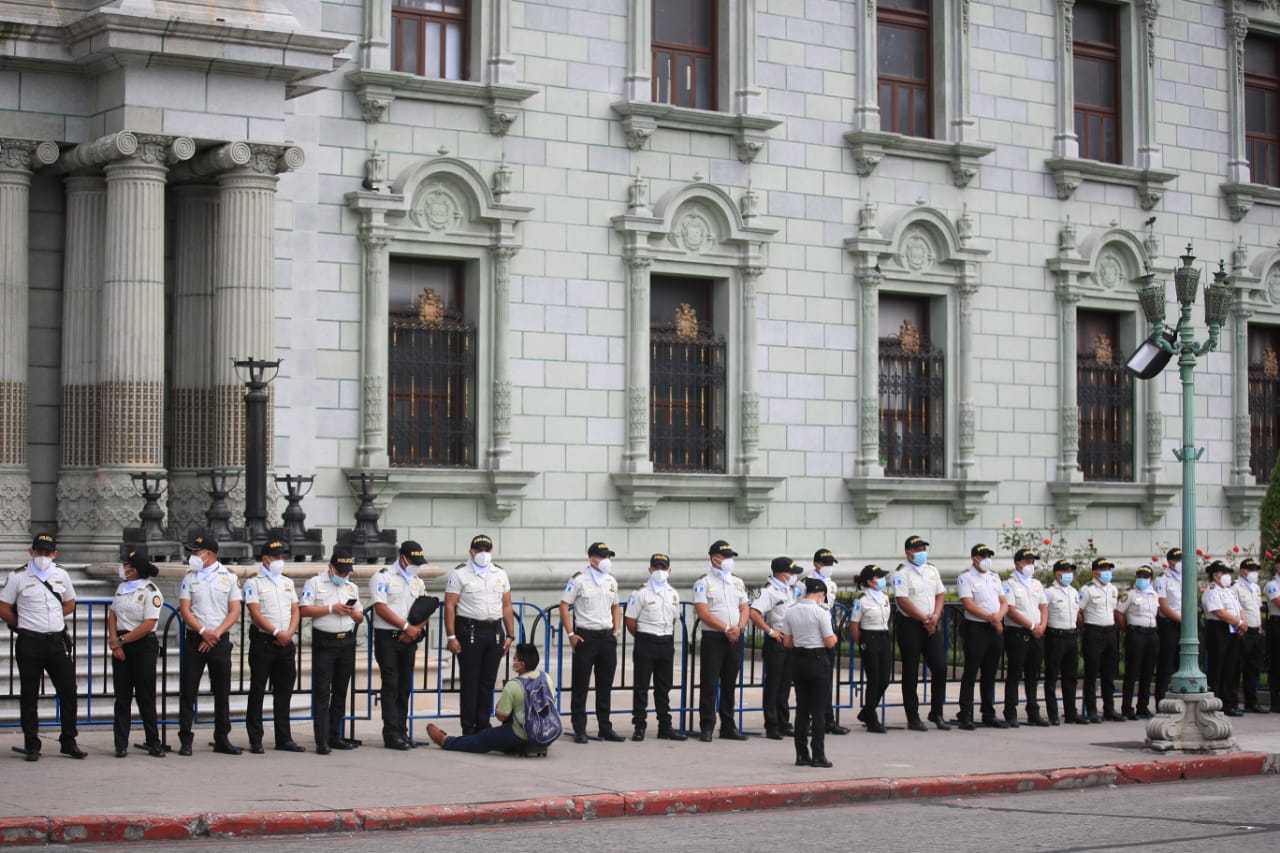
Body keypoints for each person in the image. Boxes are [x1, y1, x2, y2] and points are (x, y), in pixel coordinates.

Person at [0, 533, 84, 761]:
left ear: (54, 554)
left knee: (68, 691)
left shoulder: (61, 575)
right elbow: (4, 606)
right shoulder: (18, 576)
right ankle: (32, 743)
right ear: (31, 552)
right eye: (39, 552)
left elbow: (69, 603)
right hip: (30, 642)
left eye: (47, 553)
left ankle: (68, 740)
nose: (43, 557)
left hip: (56, 642)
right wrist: (22, 624)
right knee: (29, 694)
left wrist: (55, 617)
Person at [177, 532, 243, 756]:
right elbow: (185, 609)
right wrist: (204, 632)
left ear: (210, 554)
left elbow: (234, 610)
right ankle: (186, 738)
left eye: (197, 552)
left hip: (219, 640)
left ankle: (222, 737)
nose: (193, 556)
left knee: (222, 691)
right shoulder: (190, 578)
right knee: (188, 691)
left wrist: (216, 634)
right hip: (196, 639)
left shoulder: (229, 577)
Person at [444, 534, 516, 735]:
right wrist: (451, 636)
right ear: (471, 552)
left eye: (486, 550)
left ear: (491, 551)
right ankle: (468, 727)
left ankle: (483, 723)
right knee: (470, 680)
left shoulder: (500, 574)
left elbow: (507, 605)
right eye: (479, 550)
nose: (483, 554)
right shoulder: (460, 574)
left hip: (494, 631)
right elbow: (450, 606)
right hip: (470, 631)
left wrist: (510, 634)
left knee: (488, 680)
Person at [426, 643, 555, 754]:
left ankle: (446, 741)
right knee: (499, 736)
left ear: (521, 664)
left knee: (485, 737)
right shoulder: (546, 677)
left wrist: (500, 704)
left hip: (523, 733)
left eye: (514, 659)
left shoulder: (514, 685)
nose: (513, 661)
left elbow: (501, 716)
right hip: (547, 732)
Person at [299, 547, 364, 754]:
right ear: (330, 567)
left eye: (347, 572)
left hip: (346, 641)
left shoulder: (351, 587)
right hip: (325, 642)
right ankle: (321, 740)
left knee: (340, 690)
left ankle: (334, 735)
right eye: (340, 572)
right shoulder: (315, 583)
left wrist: (353, 614)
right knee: (322, 691)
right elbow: (304, 609)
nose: (344, 576)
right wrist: (330, 609)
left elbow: (361, 616)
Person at [559, 542, 624, 743]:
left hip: (606, 637)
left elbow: (616, 606)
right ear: (592, 559)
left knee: (605, 685)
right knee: (581, 684)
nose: (607, 561)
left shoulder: (611, 581)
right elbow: (564, 605)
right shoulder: (579, 580)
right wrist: (570, 634)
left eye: (608, 557)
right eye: (603, 557)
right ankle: (580, 728)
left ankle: (605, 726)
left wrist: (616, 630)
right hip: (585, 637)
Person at [243, 540, 303, 754]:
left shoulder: (286, 582)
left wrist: (289, 633)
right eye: (277, 557)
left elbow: (295, 610)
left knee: (284, 692)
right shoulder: (254, 583)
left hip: (285, 643)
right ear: (266, 559)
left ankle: (284, 738)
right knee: (257, 690)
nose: (281, 561)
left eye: (282, 557)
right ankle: (255, 738)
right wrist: (277, 633)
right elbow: (255, 613)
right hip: (265, 642)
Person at [370, 540, 429, 749]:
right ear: (403, 558)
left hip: (409, 638)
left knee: (404, 686)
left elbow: (425, 608)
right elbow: (380, 607)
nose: (417, 565)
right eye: (414, 561)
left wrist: (415, 629)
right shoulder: (383, 576)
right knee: (391, 684)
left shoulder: (417, 581)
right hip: (389, 637)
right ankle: (391, 733)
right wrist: (405, 627)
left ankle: (402, 731)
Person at [106, 548, 165, 758]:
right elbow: (113, 614)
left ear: (136, 569)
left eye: (128, 567)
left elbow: (149, 624)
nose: (124, 569)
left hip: (142, 646)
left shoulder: (151, 591)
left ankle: (153, 741)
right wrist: (115, 643)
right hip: (121, 645)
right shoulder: (122, 588)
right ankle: (120, 743)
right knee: (122, 697)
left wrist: (122, 641)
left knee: (145, 696)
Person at [693, 539, 750, 742]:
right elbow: (703, 612)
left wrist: (739, 628)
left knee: (729, 683)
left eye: (730, 557)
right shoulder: (703, 583)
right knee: (709, 683)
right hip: (714, 638)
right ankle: (707, 726)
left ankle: (728, 726)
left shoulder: (737, 582)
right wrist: (725, 628)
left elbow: (745, 608)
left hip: (734, 638)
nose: (728, 561)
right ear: (714, 559)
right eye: (725, 557)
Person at [625, 554, 686, 741]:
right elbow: (630, 620)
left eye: (663, 568)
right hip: (646, 641)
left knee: (663, 687)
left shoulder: (673, 594)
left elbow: (674, 618)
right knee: (641, 686)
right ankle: (639, 725)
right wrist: (644, 636)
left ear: (669, 570)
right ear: (650, 569)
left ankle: (665, 726)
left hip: (666, 642)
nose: (660, 571)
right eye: (656, 568)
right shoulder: (640, 593)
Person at [892, 535, 949, 731]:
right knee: (911, 671)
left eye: (923, 548)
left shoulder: (932, 570)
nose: (921, 552)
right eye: (917, 549)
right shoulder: (902, 573)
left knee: (940, 667)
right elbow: (902, 600)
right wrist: (923, 619)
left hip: (931, 624)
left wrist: (935, 616)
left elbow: (940, 594)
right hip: (911, 625)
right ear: (908, 552)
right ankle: (913, 716)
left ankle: (937, 712)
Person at [784, 577, 837, 768]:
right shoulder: (821, 613)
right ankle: (818, 755)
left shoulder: (790, 612)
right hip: (818, 660)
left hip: (798, 660)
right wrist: (835, 638)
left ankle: (801, 754)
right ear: (821, 594)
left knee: (802, 709)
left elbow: (787, 643)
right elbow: (830, 642)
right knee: (819, 711)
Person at [955, 544, 1008, 730]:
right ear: (974, 558)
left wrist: (998, 617)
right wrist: (990, 617)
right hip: (976, 628)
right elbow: (968, 604)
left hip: (994, 627)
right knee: (971, 672)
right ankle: (965, 713)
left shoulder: (994, 577)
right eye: (983, 555)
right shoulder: (966, 578)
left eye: (988, 555)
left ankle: (988, 712)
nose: (986, 558)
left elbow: (1003, 602)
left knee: (990, 673)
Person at [749, 556, 798, 740]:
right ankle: (772, 724)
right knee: (774, 685)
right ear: (783, 574)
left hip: (789, 641)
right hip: (776, 641)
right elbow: (754, 613)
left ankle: (784, 722)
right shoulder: (768, 591)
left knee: (785, 685)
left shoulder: (788, 591)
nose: (793, 576)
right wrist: (769, 631)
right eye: (791, 572)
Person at [1002, 547, 1049, 727]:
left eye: (1032, 562)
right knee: (1015, 674)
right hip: (1018, 633)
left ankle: (1033, 711)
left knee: (1033, 674)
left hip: (1037, 633)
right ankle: (1011, 712)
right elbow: (1011, 610)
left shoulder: (1036, 584)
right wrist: (1030, 626)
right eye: (1028, 561)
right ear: (1018, 564)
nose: (1031, 565)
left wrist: (1042, 626)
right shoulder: (1010, 584)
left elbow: (1043, 606)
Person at [807, 548, 849, 736]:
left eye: (831, 564)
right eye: (826, 564)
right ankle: (810, 720)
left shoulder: (831, 585)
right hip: (810, 637)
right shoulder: (804, 583)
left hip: (826, 633)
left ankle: (827, 719)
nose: (829, 567)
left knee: (826, 681)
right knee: (811, 681)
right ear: (817, 564)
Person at [1079, 557, 1121, 723]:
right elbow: (1079, 611)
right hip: (1093, 632)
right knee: (1091, 673)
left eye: (1109, 569)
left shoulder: (1113, 589)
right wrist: (1087, 626)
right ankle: (1091, 710)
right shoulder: (1087, 589)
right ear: (1095, 572)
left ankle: (1109, 709)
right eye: (1104, 570)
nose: (1107, 573)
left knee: (1109, 673)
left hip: (1110, 632)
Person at [850, 564, 891, 734]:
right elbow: (854, 626)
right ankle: (872, 718)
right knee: (873, 679)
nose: (882, 580)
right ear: (869, 581)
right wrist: (863, 643)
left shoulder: (884, 596)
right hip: (870, 637)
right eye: (878, 577)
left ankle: (867, 711)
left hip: (883, 636)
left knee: (884, 679)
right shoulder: (862, 599)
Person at [1043, 559, 1085, 726]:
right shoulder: (1050, 592)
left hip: (1071, 636)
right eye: (1065, 571)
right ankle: (1053, 714)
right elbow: (1043, 612)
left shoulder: (1074, 592)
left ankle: (1070, 713)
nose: (1069, 574)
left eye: (1070, 571)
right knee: (1052, 676)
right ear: (1057, 573)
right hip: (1055, 636)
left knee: (1071, 677)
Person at [1201, 560, 1245, 717]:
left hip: (1231, 630)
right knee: (1217, 667)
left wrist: (1242, 623)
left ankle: (1228, 704)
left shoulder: (1229, 591)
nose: (1227, 576)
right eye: (1224, 573)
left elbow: (1239, 608)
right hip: (1218, 630)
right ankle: (1215, 703)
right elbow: (1219, 612)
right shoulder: (1212, 591)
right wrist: (1239, 622)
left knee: (1230, 667)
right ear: (1216, 575)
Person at [1115, 564, 1159, 720]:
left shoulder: (1154, 595)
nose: (1142, 579)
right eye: (1140, 576)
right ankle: (1127, 707)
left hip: (1151, 634)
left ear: (1151, 579)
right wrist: (1127, 629)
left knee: (1147, 672)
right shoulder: (1130, 594)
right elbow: (1119, 613)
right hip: (1136, 633)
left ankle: (1143, 706)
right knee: (1132, 672)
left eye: (1145, 577)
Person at [1233, 557, 1265, 712]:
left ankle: (1251, 702)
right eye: (1251, 570)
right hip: (1243, 631)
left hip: (1255, 631)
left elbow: (1256, 609)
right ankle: (1232, 701)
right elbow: (1235, 609)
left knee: (1253, 668)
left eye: (1255, 570)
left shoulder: (1256, 587)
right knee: (1237, 667)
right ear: (1242, 571)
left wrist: (1259, 626)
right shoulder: (1236, 587)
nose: (1254, 573)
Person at [1154, 547, 1184, 703]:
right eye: (1178, 560)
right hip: (1169, 624)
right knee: (1166, 664)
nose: (1181, 563)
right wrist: (1182, 620)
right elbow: (1164, 607)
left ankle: (1180, 696)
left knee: (1183, 663)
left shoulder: (1187, 577)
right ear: (1170, 562)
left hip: (1184, 626)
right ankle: (1162, 700)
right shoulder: (1163, 579)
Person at [1268, 557, 1280, 712]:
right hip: (1277, 623)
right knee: (1277, 662)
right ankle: (1275, 700)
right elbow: (1277, 601)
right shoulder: (1273, 584)